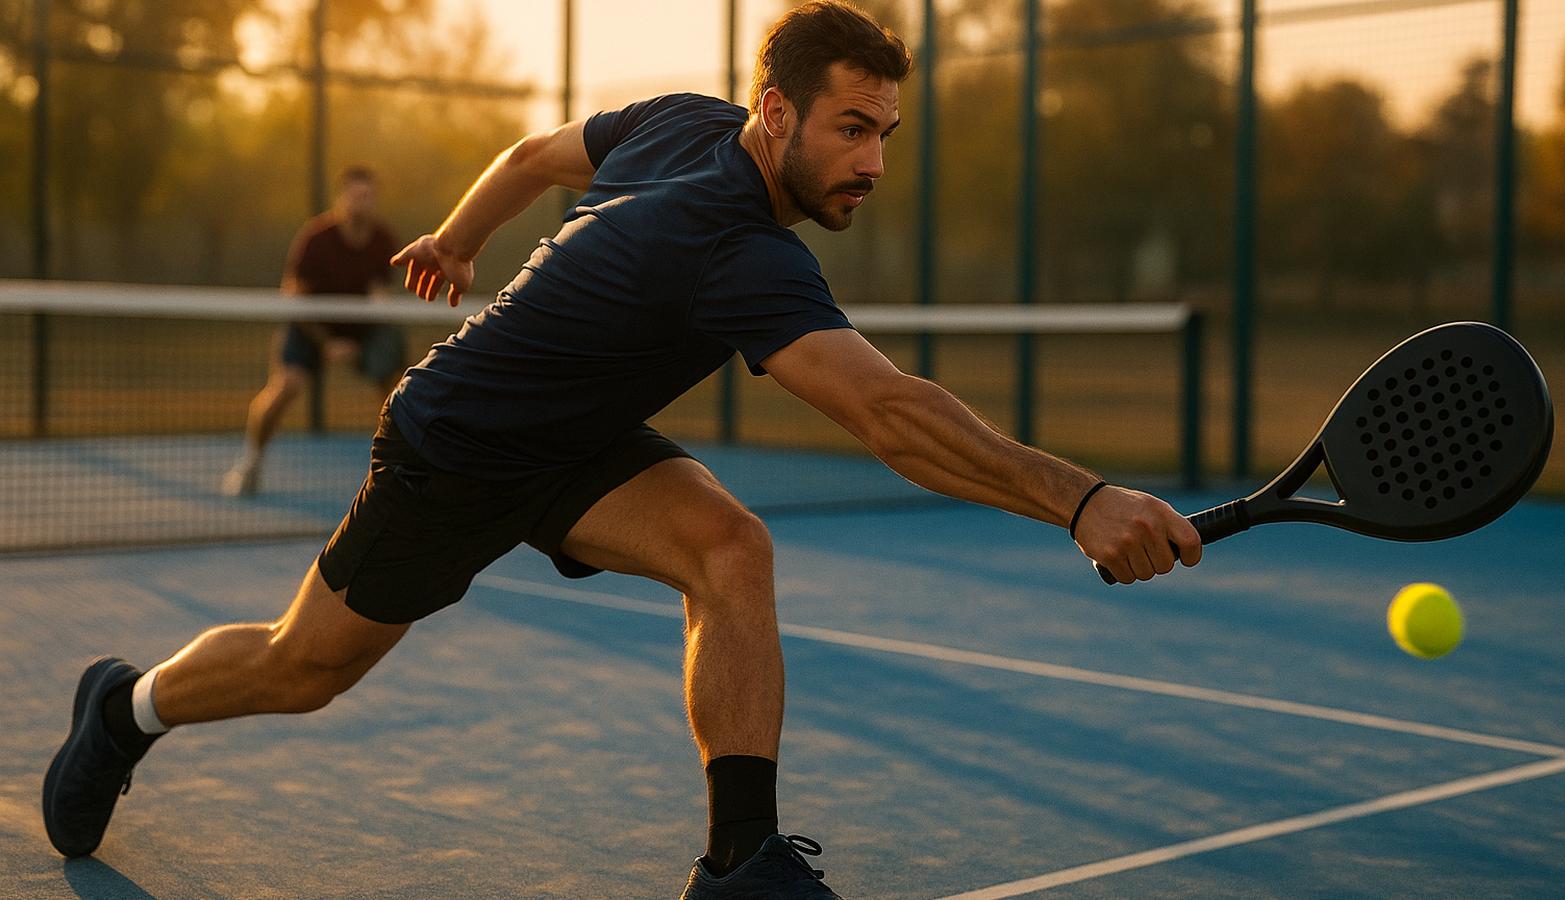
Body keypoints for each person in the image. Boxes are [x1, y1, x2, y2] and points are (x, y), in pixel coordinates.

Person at [43, 3, 1201, 896]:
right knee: (306, 668)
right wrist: (1082, 499)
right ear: (777, 111)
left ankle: (739, 862)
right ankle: (125, 710)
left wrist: (457, 233)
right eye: (853, 129)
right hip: (457, 444)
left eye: (887, 133)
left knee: (730, 549)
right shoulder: (736, 247)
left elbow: (537, 156)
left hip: (581, 438)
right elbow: (889, 414)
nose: (874, 164)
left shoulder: (684, 121)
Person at [221, 164, 406, 497]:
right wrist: (328, 342)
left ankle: (393, 472)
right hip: (311, 326)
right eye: (355, 196)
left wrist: (361, 337)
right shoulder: (316, 238)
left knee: (396, 393)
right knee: (286, 385)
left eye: (367, 197)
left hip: (361, 330)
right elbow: (294, 297)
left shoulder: (383, 240)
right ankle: (250, 461)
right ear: (341, 199)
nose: (360, 203)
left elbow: (381, 296)